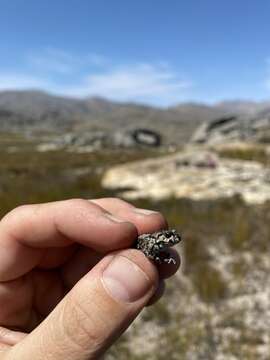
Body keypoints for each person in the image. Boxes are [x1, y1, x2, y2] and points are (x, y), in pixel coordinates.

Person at [0, 198, 180, 359]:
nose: (172, 239)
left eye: (171, 237)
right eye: (169, 236)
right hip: (125, 256)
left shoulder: (155, 243)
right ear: (162, 237)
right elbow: (149, 252)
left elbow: (154, 254)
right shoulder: (152, 242)